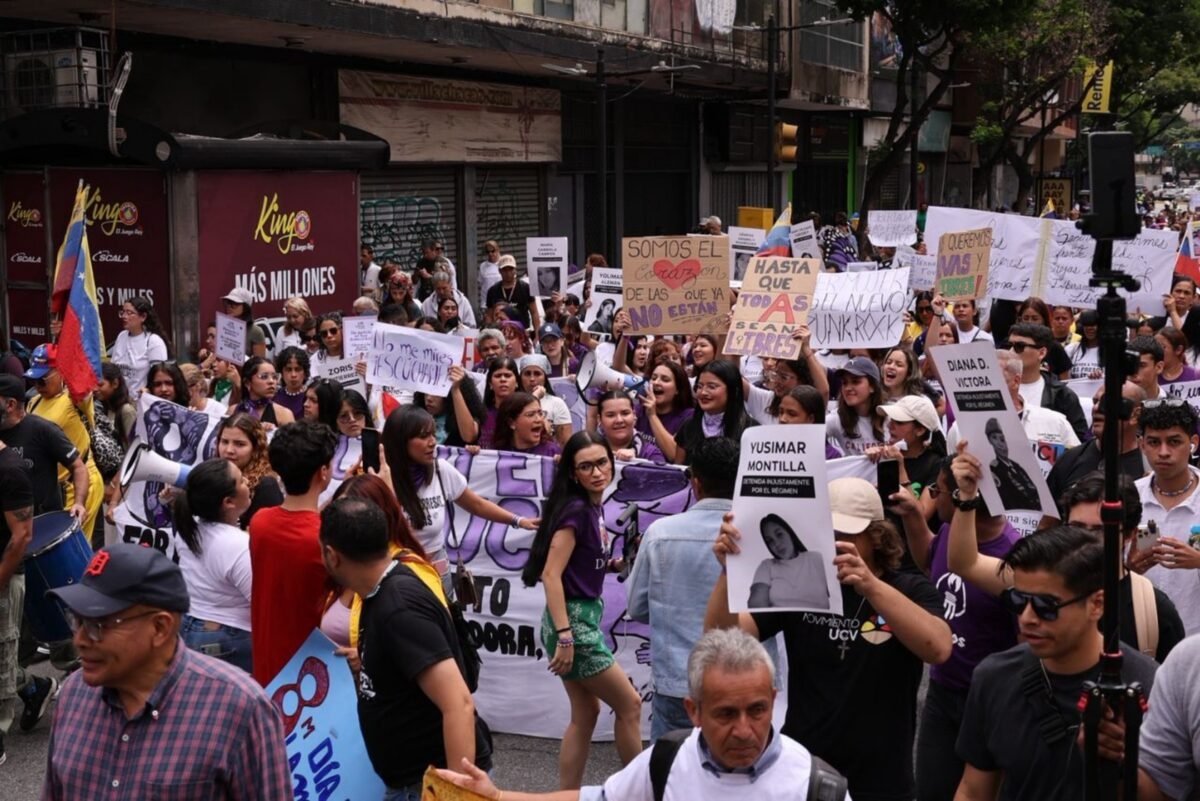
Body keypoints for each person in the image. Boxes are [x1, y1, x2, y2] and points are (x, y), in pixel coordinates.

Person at [707, 477, 952, 801]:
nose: (836, 542)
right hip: (804, 773)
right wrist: (728, 573)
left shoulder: (910, 588)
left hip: (881, 779)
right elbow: (722, 639)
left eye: (848, 534)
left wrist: (870, 586)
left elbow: (938, 648)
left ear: (877, 536)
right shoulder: (802, 585)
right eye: (829, 532)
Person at [436, 628, 846, 801]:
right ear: (693, 711)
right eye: (726, 714)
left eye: (757, 710)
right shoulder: (667, 760)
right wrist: (500, 796)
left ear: (773, 700)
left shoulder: (816, 787)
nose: (744, 730)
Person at [41, 543, 292, 800]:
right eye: (78, 621)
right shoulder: (73, 695)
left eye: (97, 625)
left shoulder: (241, 709)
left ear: (160, 628)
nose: (80, 640)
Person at [953, 526, 1158, 801]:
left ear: (1097, 604)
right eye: (1018, 600)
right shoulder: (993, 676)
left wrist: (1121, 763)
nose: (1027, 618)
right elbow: (973, 790)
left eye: (1045, 606)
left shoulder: (1149, 685)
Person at [318, 496, 491, 799]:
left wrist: (454, 794)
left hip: (425, 785)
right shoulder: (380, 592)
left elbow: (458, 704)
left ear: (332, 555)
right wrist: (371, 658)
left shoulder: (399, 608)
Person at [886, 452, 1020, 801]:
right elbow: (930, 559)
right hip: (943, 694)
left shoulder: (1015, 556)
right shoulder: (950, 529)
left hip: (991, 704)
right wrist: (914, 516)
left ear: (965, 497)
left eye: (938, 490)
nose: (933, 495)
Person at [521, 432, 643, 788]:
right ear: (573, 474)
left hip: (575, 620)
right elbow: (550, 574)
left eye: (602, 463)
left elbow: (580, 564)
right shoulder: (577, 511)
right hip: (573, 625)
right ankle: (640, 791)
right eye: (586, 467)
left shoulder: (591, 505)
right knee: (630, 705)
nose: (597, 472)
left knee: (586, 713)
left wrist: (616, 564)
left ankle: (567, 795)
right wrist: (565, 637)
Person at [626, 437, 744, 741]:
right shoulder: (765, 535)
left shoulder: (660, 533)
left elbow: (637, 607)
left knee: (672, 764)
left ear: (695, 483)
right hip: (744, 680)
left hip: (679, 679)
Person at [382, 405, 536, 595]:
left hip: (438, 570)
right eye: (423, 436)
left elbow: (477, 505)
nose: (432, 442)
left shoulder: (440, 470)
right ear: (400, 441)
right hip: (400, 576)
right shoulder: (382, 479)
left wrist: (519, 521)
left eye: (433, 434)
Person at [248, 420, 337, 684]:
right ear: (323, 471)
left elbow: (298, 524)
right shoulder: (327, 538)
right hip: (314, 674)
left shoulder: (260, 522)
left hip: (268, 666)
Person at [0, 438, 56, 765]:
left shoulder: (10, 470)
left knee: (2, 657)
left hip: (4, 578)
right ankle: (35, 687)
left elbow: (22, 536)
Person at [171, 458, 253, 673]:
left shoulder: (189, 529)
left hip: (188, 626)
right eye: (241, 481)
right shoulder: (239, 545)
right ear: (228, 502)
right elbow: (260, 601)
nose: (247, 481)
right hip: (228, 639)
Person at [1135, 398, 1200, 635]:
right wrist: (1126, 568)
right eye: (1154, 442)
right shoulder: (1129, 497)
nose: (1163, 452)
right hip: (1142, 635)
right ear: (1142, 444)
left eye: (1174, 442)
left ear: (1193, 443)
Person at [24, 344, 104, 535]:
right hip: (54, 491)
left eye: (42, 380)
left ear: (60, 372)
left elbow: (84, 378)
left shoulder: (74, 399)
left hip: (80, 485)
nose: (38, 386)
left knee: (73, 546)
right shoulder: (34, 402)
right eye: (34, 381)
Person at [1046, 381, 1147, 507]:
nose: (1096, 408)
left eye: (1107, 403)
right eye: (1095, 402)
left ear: (1135, 415)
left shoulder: (1150, 465)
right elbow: (1049, 517)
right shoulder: (1069, 460)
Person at [1005, 323, 1088, 442]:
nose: (1011, 351)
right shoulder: (994, 388)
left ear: (1041, 353)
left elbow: (1082, 440)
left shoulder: (1063, 396)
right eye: (1009, 345)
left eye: (1019, 346)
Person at [673, 360, 756, 465]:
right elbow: (678, 467)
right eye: (699, 386)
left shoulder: (751, 430)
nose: (703, 392)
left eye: (711, 387)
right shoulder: (689, 426)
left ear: (733, 391)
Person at [748, 513, 830, 610]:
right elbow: (757, 605)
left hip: (818, 619)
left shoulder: (817, 559)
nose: (777, 544)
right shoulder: (767, 566)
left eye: (779, 534)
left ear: (789, 532)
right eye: (770, 541)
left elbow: (836, 593)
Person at [216, 412, 284, 529]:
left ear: (256, 448)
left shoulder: (266, 486)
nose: (229, 450)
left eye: (239, 444)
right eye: (225, 442)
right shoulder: (213, 475)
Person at [826, 356, 887, 456]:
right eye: (844, 383)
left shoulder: (890, 416)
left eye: (855, 382)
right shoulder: (836, 419)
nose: (848, 388)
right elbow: (811, 439)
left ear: (872, 386)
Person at [109, 296, 170, 393]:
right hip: (120, 399)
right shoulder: (121, 336)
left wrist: (148, 391)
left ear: (143, 317)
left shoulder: (153, 341)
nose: (124, 316)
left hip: (141, 398)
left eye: (129, 313)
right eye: (123, 312)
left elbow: (159, 375)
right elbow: (113, 369)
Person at [638, 360, 694, 463]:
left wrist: (652, 416)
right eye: (653, 378)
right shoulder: (639, 410)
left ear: (677, 389)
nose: (656, 382)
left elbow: (674, 455)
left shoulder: (688, 416)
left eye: (665, 379)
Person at [983, 417, 1041, 511]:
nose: (1000, 444)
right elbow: (1007, 499)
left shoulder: (1016, 466)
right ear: (990, 441)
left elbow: (1032, 488)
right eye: (994, 438)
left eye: (1002, 439)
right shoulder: (995, 469)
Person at [519, 354, 573, 446]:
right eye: (527, 374)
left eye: (537, 374)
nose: (532, 379)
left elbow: (565, 442)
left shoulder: (557, 403)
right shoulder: (513, 401)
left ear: (545, 377)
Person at [596, 391, 663, 464]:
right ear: (599, 419)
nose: (619, 420)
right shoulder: (588, 450)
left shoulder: (651, 454)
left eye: (625, 413)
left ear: (634, 415)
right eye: (610, 415)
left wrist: (634, 462)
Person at [493, 391, 562, 457]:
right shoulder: (496, 454)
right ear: (511, 423)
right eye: (530, 414)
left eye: (540, 413)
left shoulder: (552, 452)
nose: (539, 419)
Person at [234, 356, 295, 429]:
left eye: (274, 377)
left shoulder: (284, 415)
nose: (271, 381)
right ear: (247, 382)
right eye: (264, 377)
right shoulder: (233, 411)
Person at [486, 255, 535, 329]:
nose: (508, 273)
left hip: (522, 330)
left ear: (515, 270)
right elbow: (489, 315)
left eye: (511, 269)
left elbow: (534, 312)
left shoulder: (525, 287)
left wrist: (537, 334)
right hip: (500, 331)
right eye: (505, 270)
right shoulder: (493, 291)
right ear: (499, 271)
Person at [221, 287, 268, 359]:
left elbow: (259, 362)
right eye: (228, 303)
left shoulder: (255, 332)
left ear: (246, 307)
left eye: (234, 304)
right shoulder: (223, 327)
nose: (229, 307)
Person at [273, 345, 310, 420]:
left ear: (305, 372)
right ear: (281, 372)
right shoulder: (274, 397)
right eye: (288, 369)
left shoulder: (310, 397)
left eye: (298, 369)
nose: (293, 375)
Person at [479, 240, 503, 312]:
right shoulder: (483, 266)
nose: (490, 254)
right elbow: (481, 283)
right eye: (488, 252)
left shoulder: (503, 263)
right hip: (486, 304)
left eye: (493, 251)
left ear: (497, 250)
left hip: (501, 303)